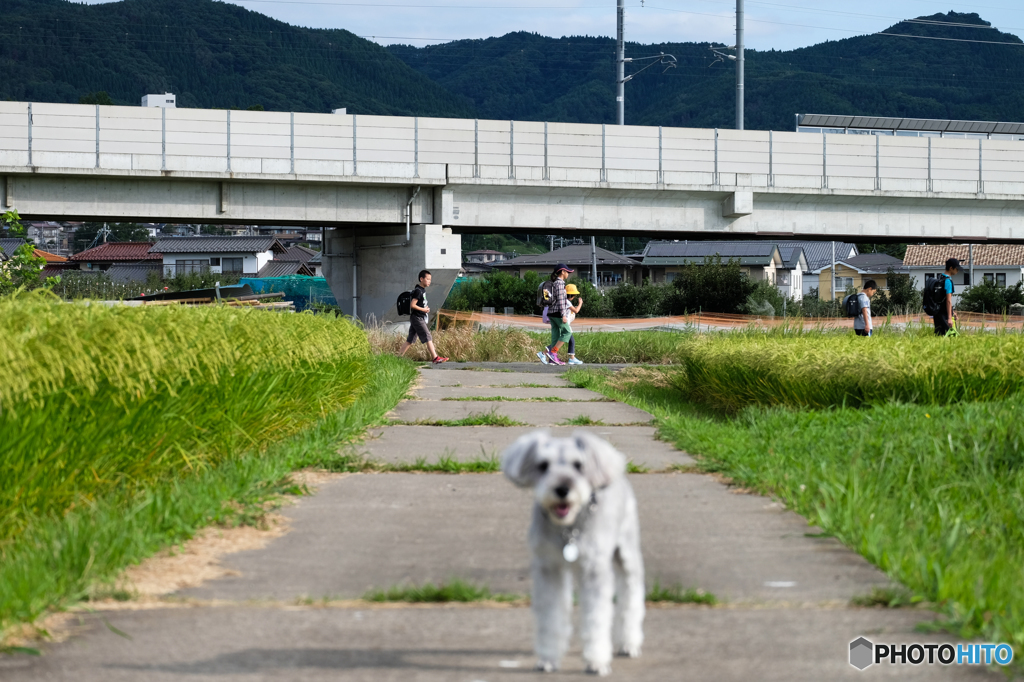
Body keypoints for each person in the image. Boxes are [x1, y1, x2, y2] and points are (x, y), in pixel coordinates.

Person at [397, 269, 448, 363]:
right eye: (427, 279)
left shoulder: (421, 290)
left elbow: (419, 303)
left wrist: (425, 308)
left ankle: (397, 358)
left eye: (430, 279)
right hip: (417, 318)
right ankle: (435, 358)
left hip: (417, 317)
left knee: (410, 339)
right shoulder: (418, 291)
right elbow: (412, 305)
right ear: (421, 279)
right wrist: (424, 310)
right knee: (427, 336)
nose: (429, 281)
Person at [537, 264, 573, 366]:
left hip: (551, 312)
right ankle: (553, 352)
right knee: (567, 332)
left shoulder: (554, 283)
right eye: (567, 272)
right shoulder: (560, 283)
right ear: (562, 272)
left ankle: (551, 359)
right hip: (558, 313)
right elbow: (562, 301)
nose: (568, 274)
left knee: (556, 336)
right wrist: (564, 315)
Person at [933, 258, 960, 337]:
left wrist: (953, 312)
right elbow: (948, 301)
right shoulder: (948, 281)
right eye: (956, 268)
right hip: (945, 314)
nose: (957, 271)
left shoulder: (940, 278)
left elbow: (941, 298)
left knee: (939, 336)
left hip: (937, 312)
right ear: (951, 268)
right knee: (950, 337)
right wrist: (949, 318)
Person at [563, 282, 584, 364]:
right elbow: (576, 310)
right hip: (565, 324)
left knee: (561, 340)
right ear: (571, 295)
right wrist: (580, 304)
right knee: (568, 340)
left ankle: (571, 358)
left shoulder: (564, 301)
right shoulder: (567, 302)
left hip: (564, 324)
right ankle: (571, 358)